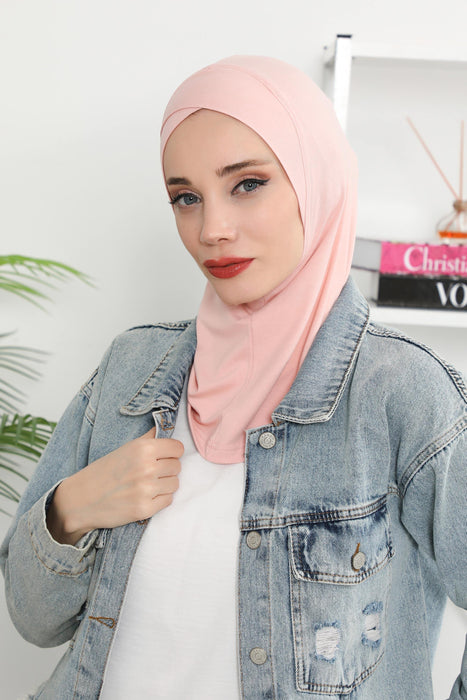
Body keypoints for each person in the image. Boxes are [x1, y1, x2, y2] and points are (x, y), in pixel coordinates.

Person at [1, 55, 466, 699]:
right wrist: (73, 507)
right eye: (186, 198)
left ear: (315, 180)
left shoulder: (403, 395)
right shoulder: (131, 371)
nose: (212, 230)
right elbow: (33, 620)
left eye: (247, 184)